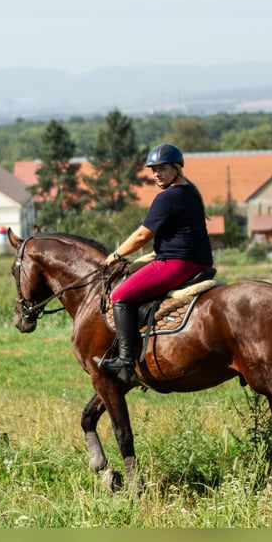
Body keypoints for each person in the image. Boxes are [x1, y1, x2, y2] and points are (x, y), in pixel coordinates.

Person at [95, 143, 214, 385]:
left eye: (162, 169)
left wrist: (116, 255)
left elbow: (142, 235)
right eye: (154, 170)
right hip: (196, 260)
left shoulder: (168, 197)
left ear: (176, 168)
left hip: (177, 263)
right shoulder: (190, 191)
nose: (157, 174)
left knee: (120, 296)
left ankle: (126, 363)